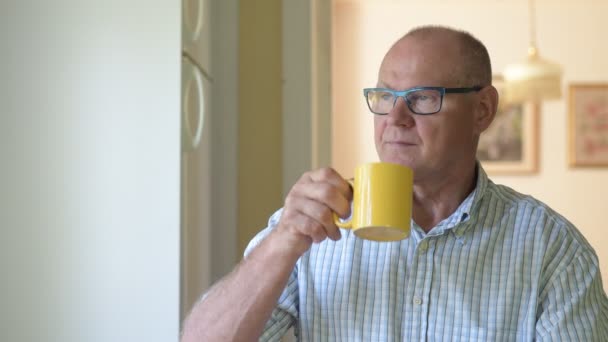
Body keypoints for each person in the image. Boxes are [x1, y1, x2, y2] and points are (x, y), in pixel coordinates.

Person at [181, 25, 608, 341]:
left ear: (482, 109)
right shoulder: (312, 225)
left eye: (422, 98)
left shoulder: (554, 250)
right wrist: (282, 241)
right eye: (384, 97)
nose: (394, 119)